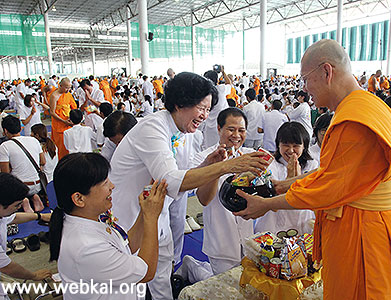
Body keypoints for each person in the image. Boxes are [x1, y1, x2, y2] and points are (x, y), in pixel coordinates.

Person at [234, 39, 391, 299]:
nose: (304, 88)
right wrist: (283, 185)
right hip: (368, 224)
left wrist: (267, 204)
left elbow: (329, 190)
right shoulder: (370, 106)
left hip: (365, 235)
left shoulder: (355, 121)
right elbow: (334, 174)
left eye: (306, 79)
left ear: (327, 72)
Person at [109, 72, 268, 300]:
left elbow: (182, 179)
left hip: (157, 215)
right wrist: (226, 167)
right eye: (201, 108)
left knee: (161, 275)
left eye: (207, 110)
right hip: (130, 218)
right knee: (129, 282)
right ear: (180, 103)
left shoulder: (182, 133)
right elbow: (170, 180)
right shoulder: (152, 128)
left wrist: (207, 165)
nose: (204, 115)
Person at [49, 153, 168, 300]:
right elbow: (147, 272)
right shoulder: (87, 247)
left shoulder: (89, 217)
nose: (112, 186)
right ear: (79, 199)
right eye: (105, 183)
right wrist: (151, 217)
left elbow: (125, 246)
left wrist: (144, 213)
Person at [193, 107, 255, 275]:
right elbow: (204, 199)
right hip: (221, 239)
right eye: (231, 129)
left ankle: (195, 268)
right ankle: (193, 269)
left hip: (248, 238)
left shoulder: (250, 156)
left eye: (241, 130)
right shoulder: (205, 158)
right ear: (219, 128)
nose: (236, 135)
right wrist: (218, 167)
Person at [255, 121, 317, 235]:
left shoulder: (312, 165)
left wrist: (298, 179)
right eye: (286, 145)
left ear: (304, 146)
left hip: (302, 222)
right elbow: (270, 193)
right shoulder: (270, 164)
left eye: (296, 146)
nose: (291, 150)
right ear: (278, 145)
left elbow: (313, 196)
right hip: (273, 223)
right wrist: (290, 179)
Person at [0, 173, 52, 298]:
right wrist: (34, 276)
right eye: (17, 205)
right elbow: (7, 267)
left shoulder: (2, 214)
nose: (18, 208)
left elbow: (14, 217)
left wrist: (40, 216)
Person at [0, 115, 45, 212]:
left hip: (20, 187)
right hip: (37, 184)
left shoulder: (5, 146)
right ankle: (34, 196)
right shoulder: (34, 140)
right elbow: (43, 161)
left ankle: (23, 200)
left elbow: (5, 173)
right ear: (21, 128)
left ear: (5, 130)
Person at [203, 66, 232, 148]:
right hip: (222, 126)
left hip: (208, 128)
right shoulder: (221, 89)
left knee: (209, 150)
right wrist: (223, 71)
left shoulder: (202, 93)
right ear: (217, 80)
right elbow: (229, 83)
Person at [49, 77, 77, 159]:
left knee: (70, 146)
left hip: (69, 123)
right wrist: (63, 121)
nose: (68, 89)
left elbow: (73, 107)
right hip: (59, 125)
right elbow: (52, 112)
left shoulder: (68, 94)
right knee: (61, 148)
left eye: (69, 87)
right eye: (66, 87)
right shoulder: (54, 96)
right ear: (60, 85)